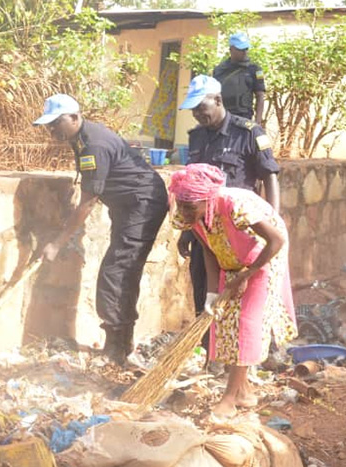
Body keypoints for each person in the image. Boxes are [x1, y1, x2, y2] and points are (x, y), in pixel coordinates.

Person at [34, 94, 168, 365]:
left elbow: (88, 201)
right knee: (124, 271)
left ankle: (115, 347)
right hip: (128, 206)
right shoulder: (81, 137)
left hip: (141, 205)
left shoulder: (93, 144)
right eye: (49, 125)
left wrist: (58, 243)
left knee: (116, 272)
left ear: (74, 117)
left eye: (56, 123)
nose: (52, 130)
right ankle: (122, 343)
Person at [168, 163, 296, 419]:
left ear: (208, 199)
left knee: (246, 323)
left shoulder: (235, 205)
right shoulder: (192, 213)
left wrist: (248, 273)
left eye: (189, 206)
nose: (183, 211)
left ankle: (229, 398)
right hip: (231, 256)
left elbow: (276, 241)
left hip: (265, 256)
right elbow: (208, 248)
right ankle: (244, 391)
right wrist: (213, 294)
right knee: (224, 320)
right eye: (180, 204)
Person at [177, 75, 281, 354]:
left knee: (249, 294)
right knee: (204, 287)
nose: (198, 114)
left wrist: (274, 218)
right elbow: (192, 190)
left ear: (219, 100)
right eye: (194, 110)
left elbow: (270, 176)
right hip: (207, 229)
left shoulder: (248, 133)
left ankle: (255, 354)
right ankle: (211, 351)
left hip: (243, 229)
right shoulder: (197, 136)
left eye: (202, 107)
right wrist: (188, 231)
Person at [212, 33, 265, 124]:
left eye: (246, 49)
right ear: (231, 49)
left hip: (244, 118)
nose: (244, 52)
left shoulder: (256, 70)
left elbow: (260, 96)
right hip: (223, 117)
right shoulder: (219, 70)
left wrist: (258, 122)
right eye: (241, 49)